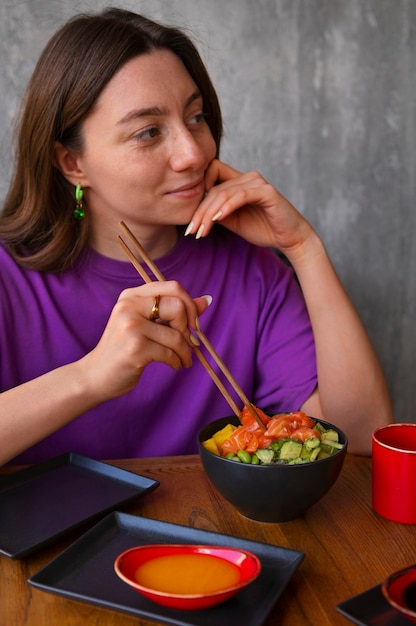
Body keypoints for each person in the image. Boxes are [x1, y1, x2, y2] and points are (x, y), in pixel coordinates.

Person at [0, 7, 392, 466]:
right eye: (148, 132)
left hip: (207, 535)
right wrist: (91, 377)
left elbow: (363, 440)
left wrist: (304, 248)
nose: (192, 152)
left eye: (196, 116)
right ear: (72, 163)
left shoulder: (253, 270)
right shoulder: (9, 276)